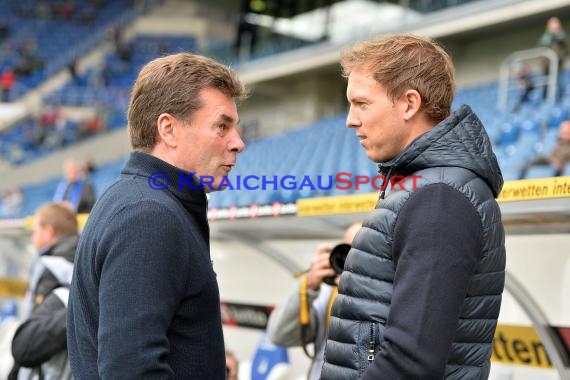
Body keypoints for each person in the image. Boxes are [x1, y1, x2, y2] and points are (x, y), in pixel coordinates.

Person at [320, 34, 506, 380]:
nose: (350, 119)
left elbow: (411, 364)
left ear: (408, 104)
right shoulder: (428, 187)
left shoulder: (439, 199)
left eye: (362, 104)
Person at [66, 52, 246, 379]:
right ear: (168, 129)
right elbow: (132, 371)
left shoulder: (140, 200)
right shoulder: (147, 216)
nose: (238, 143)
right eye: (222, 126)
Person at [266, 221, 361, 380]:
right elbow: (279, 335)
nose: (351, 260)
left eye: (360, 251)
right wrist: (309, 285)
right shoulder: (328, 292)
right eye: (347, 250)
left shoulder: (393, 291)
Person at [9, 202, 79, 380]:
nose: (32, 238)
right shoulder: (83, 260)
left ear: (48, 231)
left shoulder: (49, 267)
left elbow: (33, 336)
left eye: (35, 231)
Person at [538, 16, 567, 100]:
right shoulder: (546, 36)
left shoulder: (562, 36)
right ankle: (545, 103)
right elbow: (541, 48)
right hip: (546, 66)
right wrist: (550, 35)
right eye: (553, 23)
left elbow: (566, 49)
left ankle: (561, 101)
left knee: (560, 85)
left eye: (556, 23)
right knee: (546, 86)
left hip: (558, 66)